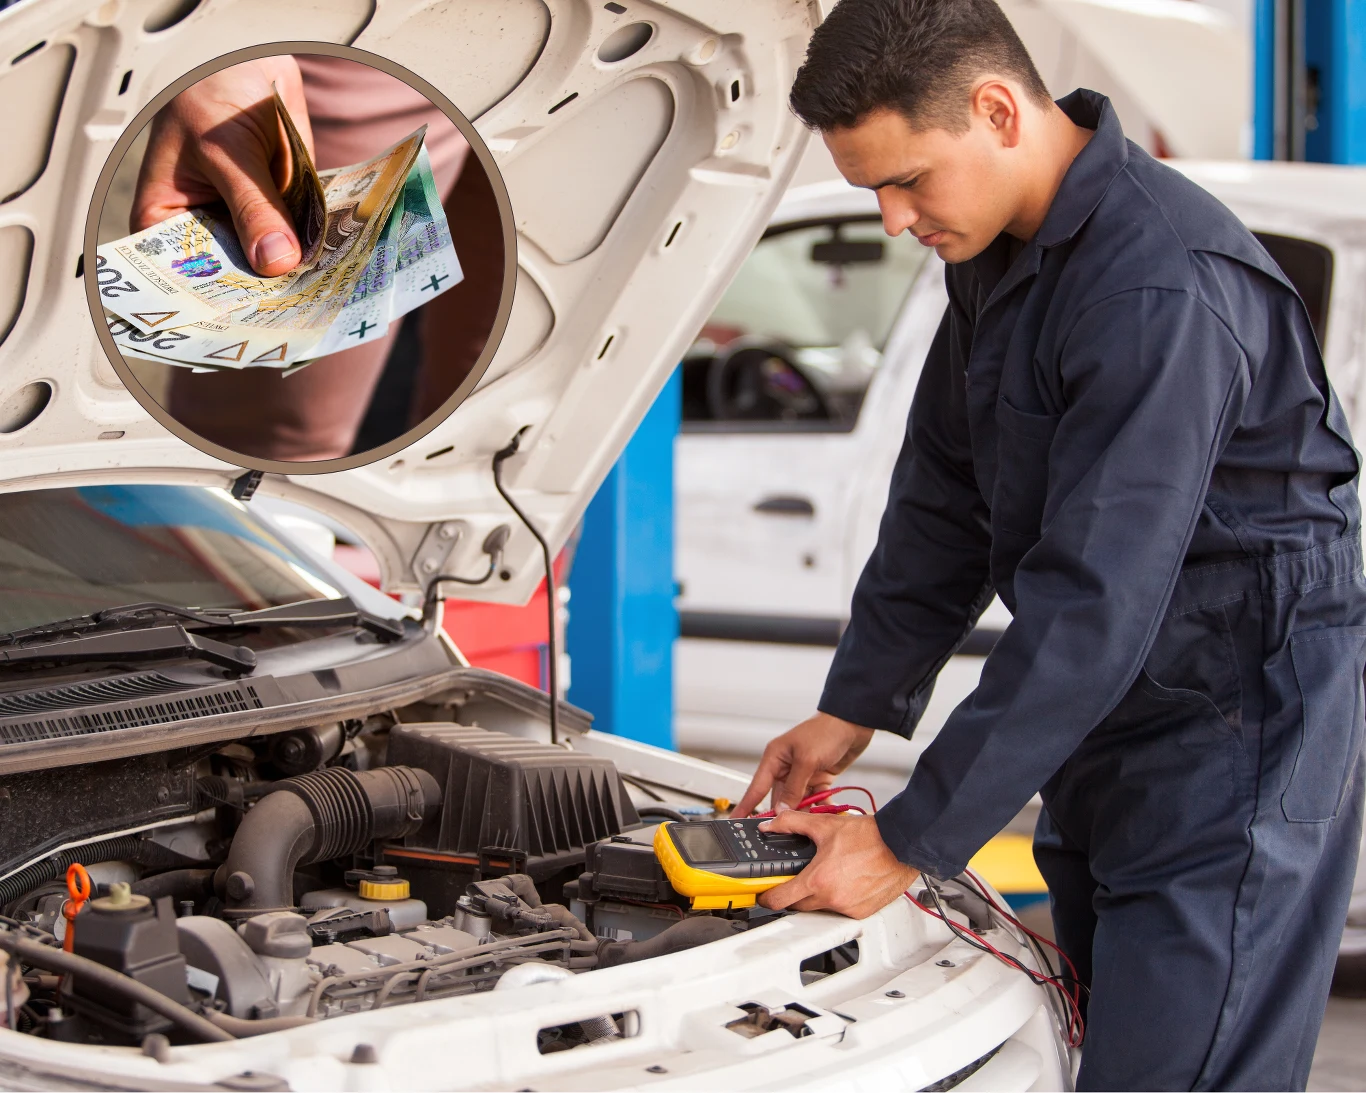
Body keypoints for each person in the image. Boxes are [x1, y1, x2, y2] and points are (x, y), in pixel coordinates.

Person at [733, 2, 1366, 1089]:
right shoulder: (996, 248)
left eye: (909, 180)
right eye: (871, 189)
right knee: (1093, 1043)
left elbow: (1095, 596)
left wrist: (909, 836)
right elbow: (946, 498)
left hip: (1237, 731)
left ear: (995, 110)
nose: (892, 219)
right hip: (1121, 720)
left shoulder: (1156, 284)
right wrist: (852, 710)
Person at [129, 54, 504, 461]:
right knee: (269, 438)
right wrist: (225, 55)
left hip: (578, 78)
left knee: (493, 396)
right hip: (382, 52)